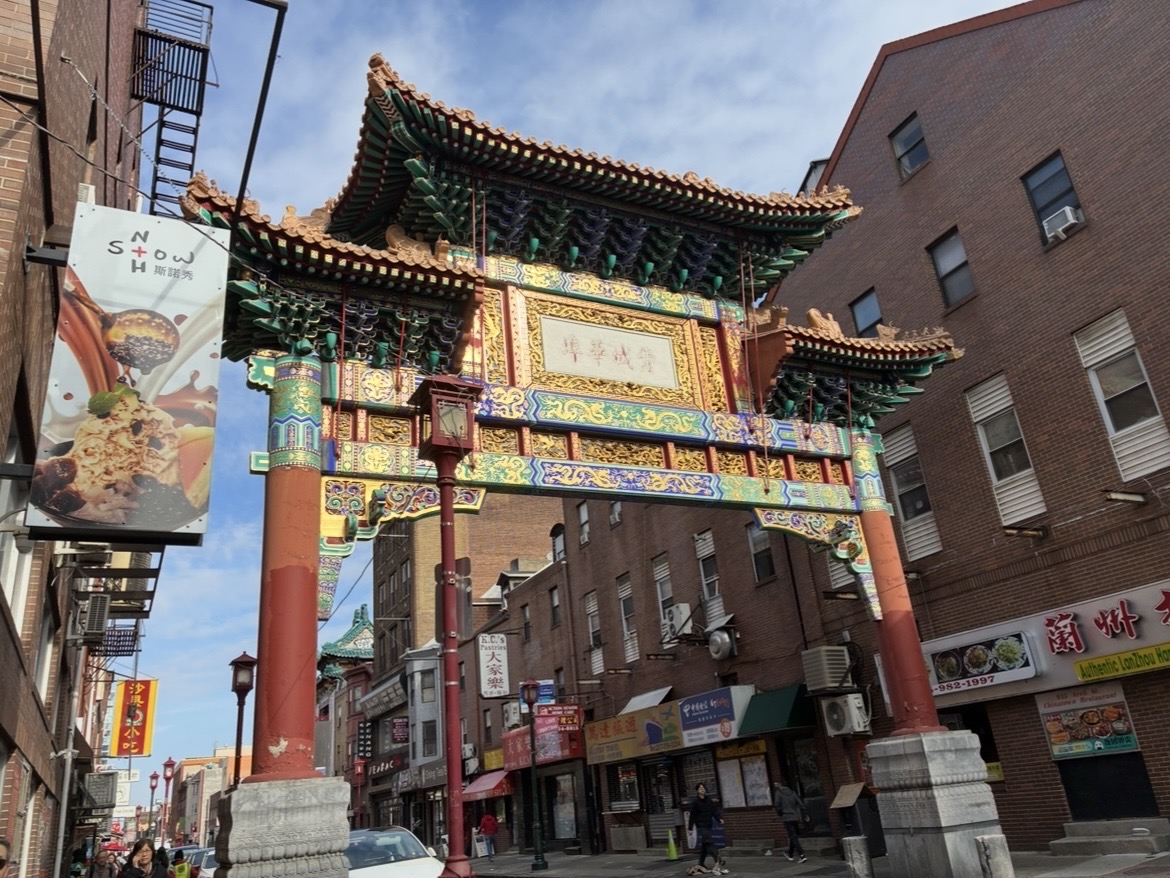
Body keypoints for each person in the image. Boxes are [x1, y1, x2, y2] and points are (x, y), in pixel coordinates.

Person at [686, 783, 723, 874]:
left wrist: (719, 818)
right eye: (700, 788)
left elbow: (714, 810)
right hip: (701, 825)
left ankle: (701, 863)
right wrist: (690, 828)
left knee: (705, 845)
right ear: (697, 791)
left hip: (708, 824)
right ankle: (718, 859)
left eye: (703, 788)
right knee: (709, 841)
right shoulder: (695, 802)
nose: (702, 789)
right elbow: (692, 816)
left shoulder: (708, 800)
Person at [772, 781, 808, 864]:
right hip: (794, 816)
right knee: (793, 835)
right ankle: (790, 854)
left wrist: (780, 813)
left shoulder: (778, 793)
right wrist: (805, 813)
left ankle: (802, 855)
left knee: (793, 836)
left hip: (786, 817)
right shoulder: (793, 793)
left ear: (780, 784)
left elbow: (777, 804)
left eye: (776, 784)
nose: (775, 785)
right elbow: (800, 803)